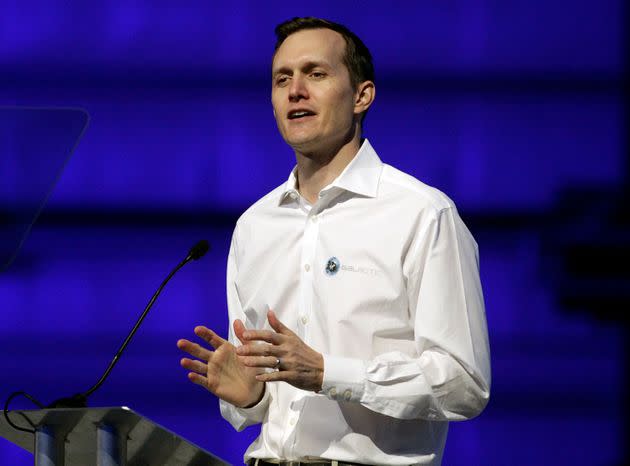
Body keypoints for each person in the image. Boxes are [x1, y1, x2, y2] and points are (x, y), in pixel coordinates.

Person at [177, 17, 491, 466]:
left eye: (316, 74)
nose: (295, 90)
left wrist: (330, 373)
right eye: (281, 78)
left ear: (362, 96)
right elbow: (260, 401)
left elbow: (464, 384)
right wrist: (248, 397)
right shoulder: (255, 225)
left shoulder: (422, 214)